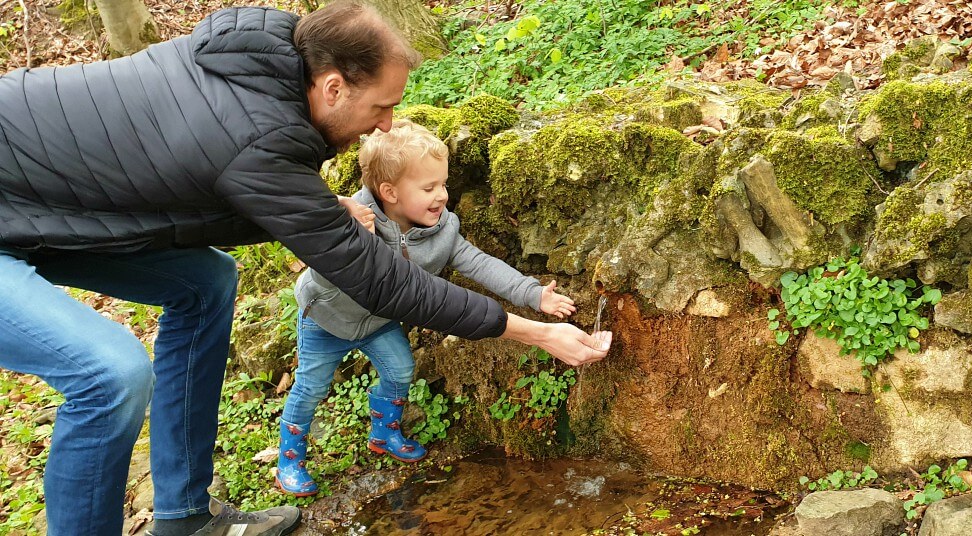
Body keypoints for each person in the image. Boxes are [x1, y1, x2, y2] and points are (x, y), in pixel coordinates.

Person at [0, 2, 609, 535]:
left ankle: (184, 515)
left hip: (35, 206)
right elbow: (380, 279)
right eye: (383, 106)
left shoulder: (268, 71)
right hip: (16, 203)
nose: (388, 124)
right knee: (111, 374)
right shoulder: (256, 134)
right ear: (335, 87)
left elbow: (198, 177)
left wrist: (316, 207)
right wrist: (533, 330)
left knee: (206, 282)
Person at [276, 119, 581, 496]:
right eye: (429, 187)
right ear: (389, 191)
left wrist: (533, 294)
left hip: (380, 322)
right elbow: (323, 278)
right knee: (310, 387)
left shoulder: (442, 230)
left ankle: (384, 433)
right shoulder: (352, 221)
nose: (442, 196)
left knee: (401, 367)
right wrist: (354, 244)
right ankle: (290, 458)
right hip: (327, 319)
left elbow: (480, 263)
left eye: (444, 184)